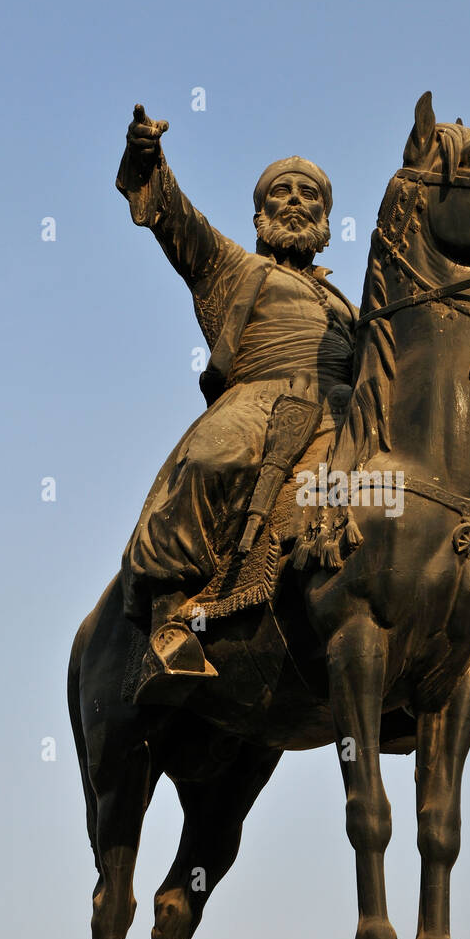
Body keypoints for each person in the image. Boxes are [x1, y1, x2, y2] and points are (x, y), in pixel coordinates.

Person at [116, 106, 356, 702]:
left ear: (326, 219)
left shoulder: (349, 306)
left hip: (344, 407)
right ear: (259, 214)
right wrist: (148, 160)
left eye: (310, 195)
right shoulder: (230, 266)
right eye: (282, 192)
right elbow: (175, 218)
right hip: (261, 395)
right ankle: (170, 617)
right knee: (214, 456)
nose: (296, 200)